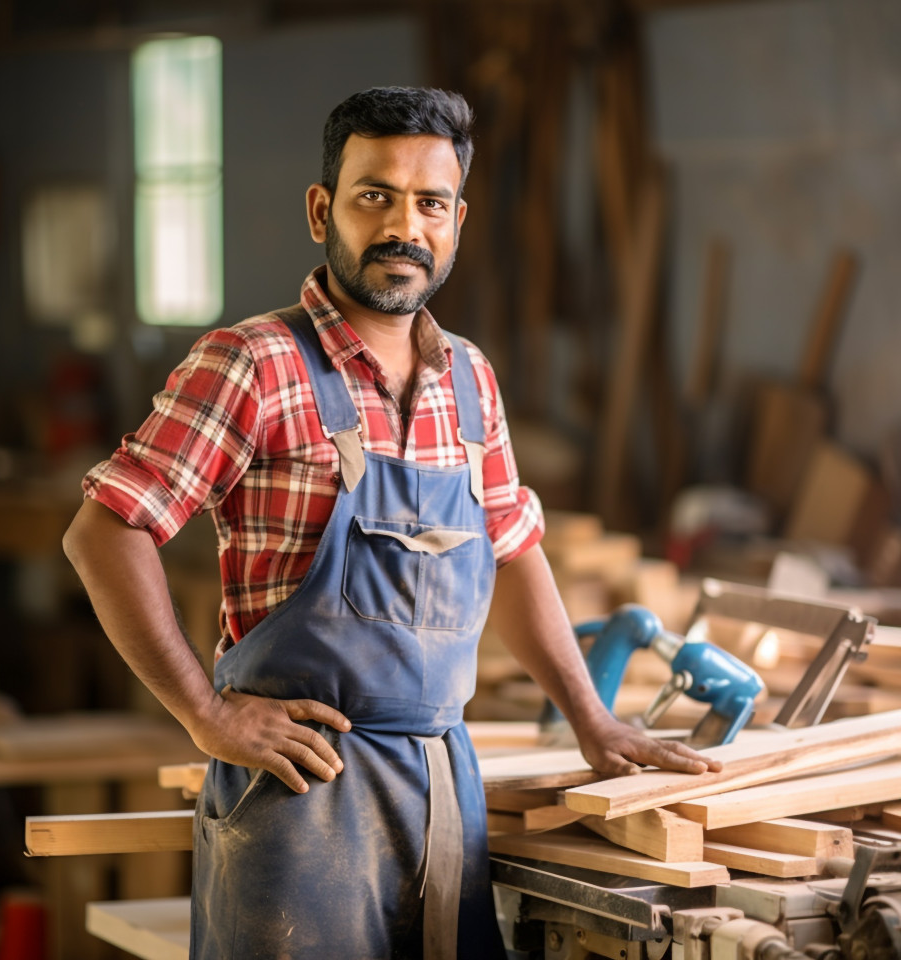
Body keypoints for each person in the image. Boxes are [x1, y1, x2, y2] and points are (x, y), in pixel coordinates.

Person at [63, 86, 720, 960]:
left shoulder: (469, 381)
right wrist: (205, 714)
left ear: (456, 221)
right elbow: (106, 529)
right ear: (321, 208)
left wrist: (594, 722)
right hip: (299, 794)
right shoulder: (253, 363)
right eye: (374, 195)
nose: (403, 225)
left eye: (431, 203)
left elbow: (512, 551)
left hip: (445, 788)